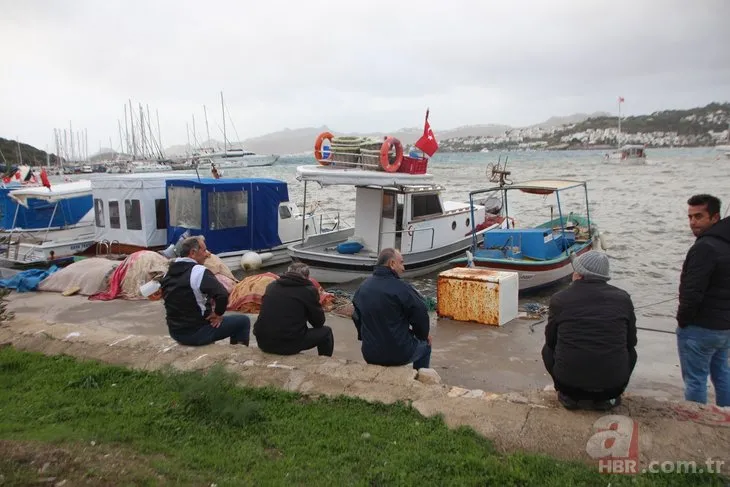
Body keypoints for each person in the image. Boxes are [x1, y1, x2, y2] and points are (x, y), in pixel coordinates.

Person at [542, 250, 637, 411]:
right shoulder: (623, 298)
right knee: (631, 352)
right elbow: (631, 342)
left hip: (569, 386)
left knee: (547, 350)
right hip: (612, 387)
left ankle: (568, 397)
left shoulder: (560, 299)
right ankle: (608, 398)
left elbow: (551, 340)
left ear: (579, 274)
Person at [676, 194, 730, 407]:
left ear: (715, 217)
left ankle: (695, 419)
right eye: (690, 217)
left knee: (695, 379)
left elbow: (692, 291)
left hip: (700, 326)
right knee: (722, 374)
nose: (693, 222)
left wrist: (683, 320)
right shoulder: (726, 243)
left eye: (699, 216)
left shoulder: (704, 247)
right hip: (724, 326)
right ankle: (725, 416)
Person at [161, 236, 250, 346]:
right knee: (243, 321)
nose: (207, 254)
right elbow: (222, 295)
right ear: (193, 253)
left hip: (175, 332)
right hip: (196, 333)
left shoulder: (167, 273)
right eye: (204, 250)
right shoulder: (198, 272)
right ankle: (236, 357)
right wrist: (218, 314)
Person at [351, 248, 432, 370]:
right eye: (401, 262)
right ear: (392, 264)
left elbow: (357, 317)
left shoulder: (362, 288)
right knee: (426, 345)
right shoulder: (402, 289)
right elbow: (421, 315)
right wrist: (422, 336)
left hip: (370, 353)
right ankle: (419, 378)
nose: (404, 268)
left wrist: (367, 339)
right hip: (398, 353)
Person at [253, 263, 334, 356]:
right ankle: (325, 362)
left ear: (287, 273)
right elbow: (318, 323)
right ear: (307, 276)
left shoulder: (271, 286)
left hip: (263, 342)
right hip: (288, 345)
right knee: (326, 332)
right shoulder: (308, 290)